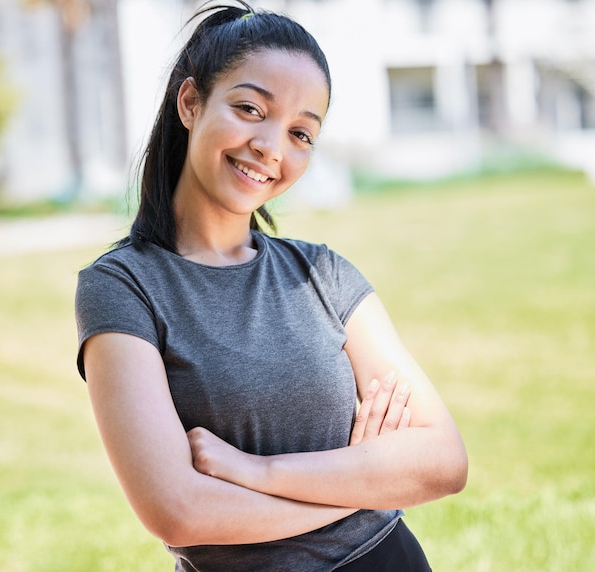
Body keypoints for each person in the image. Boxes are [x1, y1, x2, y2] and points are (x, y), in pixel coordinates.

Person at [74, 1, 468, 570]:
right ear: (190, 103)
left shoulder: (324, 274)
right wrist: (365, 482)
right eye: (249, 109)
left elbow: (443, 461)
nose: (272, 147)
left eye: (302, 133)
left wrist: (254, 472)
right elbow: (178, 511)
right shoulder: (122, 288)